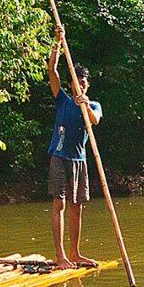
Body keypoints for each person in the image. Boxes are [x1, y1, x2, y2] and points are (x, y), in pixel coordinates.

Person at [46, 30, 103, 269]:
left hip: (79, 160)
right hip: (59, 157)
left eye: (84, 82)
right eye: (77, 82)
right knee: (58, 204)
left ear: (87, 84)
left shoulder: (93, 104)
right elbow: (52, 71)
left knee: (76, 206)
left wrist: (85, 106)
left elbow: (95, 121)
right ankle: (60, 256)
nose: (80, 85)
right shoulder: (63, 100)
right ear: (71, 84)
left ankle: (75, 253)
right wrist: (57, 44)